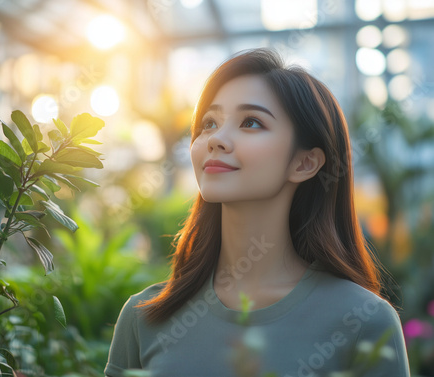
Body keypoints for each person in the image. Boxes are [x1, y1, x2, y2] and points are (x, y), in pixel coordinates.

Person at [103, 48, 411, 377]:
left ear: (304, 162)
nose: (216, 139)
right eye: (209, 123)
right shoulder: (143, 317)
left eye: (251, 122)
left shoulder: (364, 320)